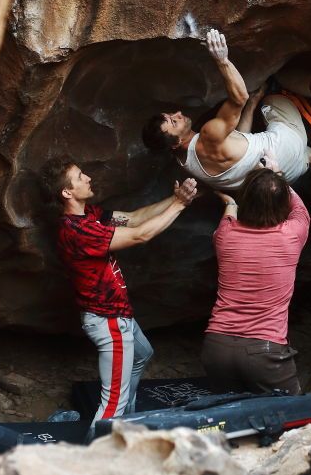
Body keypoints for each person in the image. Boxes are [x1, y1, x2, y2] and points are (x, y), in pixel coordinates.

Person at [40, 158, 197, 432]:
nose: (88, 177)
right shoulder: (76, 231)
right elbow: (139, 235)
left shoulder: (90, 215)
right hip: (108, 320)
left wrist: (174, 198)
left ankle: (128, 415)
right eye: (79, 176)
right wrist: (180, 206)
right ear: (66, 192)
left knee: (142, 354)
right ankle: (98, 456)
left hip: (117, 315)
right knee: (111, 403)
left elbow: (135, 218)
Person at [142, 29, 311, 191]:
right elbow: (239, 97)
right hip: (287, 145)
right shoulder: (208, 135)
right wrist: (222, 59)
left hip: (287, 176)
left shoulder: (184, 164)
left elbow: (239, 141)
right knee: (277, 84)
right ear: (175, 143)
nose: (178, 114)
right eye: (174, 122)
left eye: (170, 115)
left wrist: (252, 104)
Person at [200, 158, 310, 394]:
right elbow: (299, 208)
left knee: (233, 422)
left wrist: (230, 199)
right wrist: (276, 174)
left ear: (245, 199)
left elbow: (230, 211)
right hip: (264, 351)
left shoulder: (225, 235)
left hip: (216, 347)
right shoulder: (292, 234)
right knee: (293, 419)